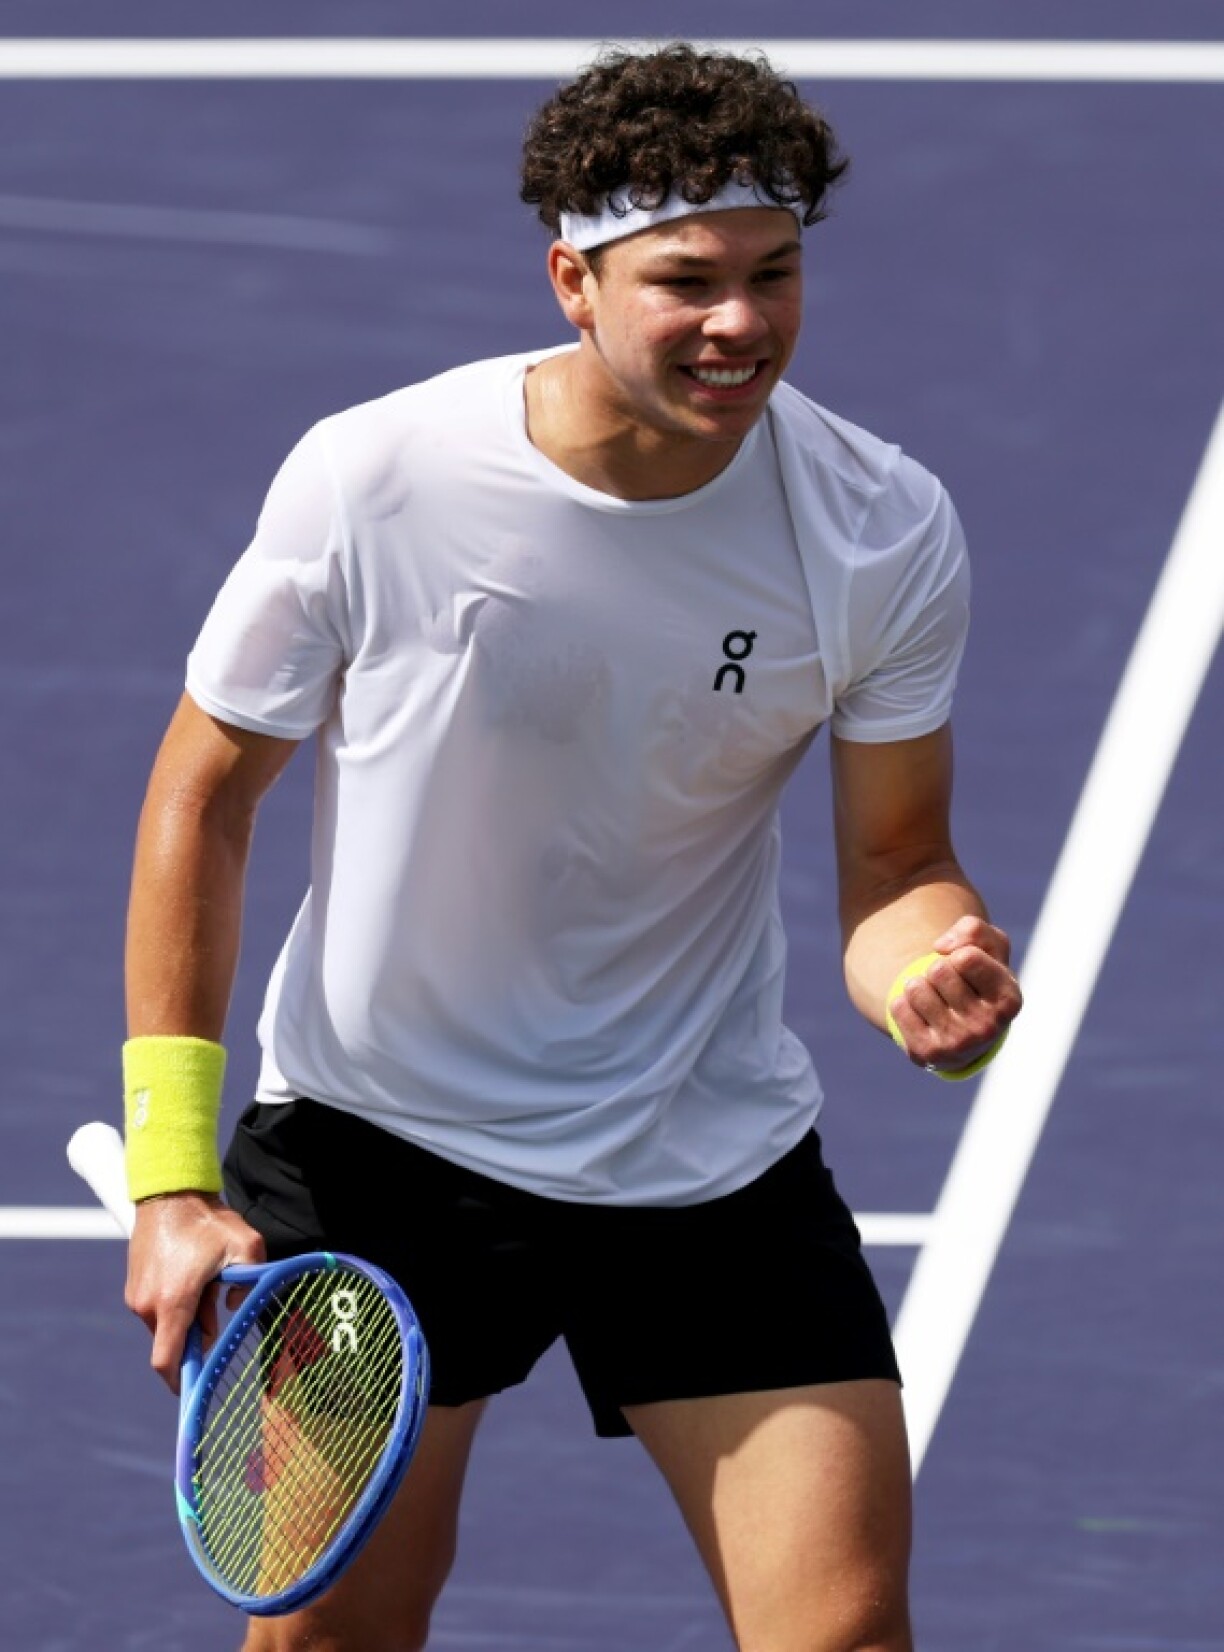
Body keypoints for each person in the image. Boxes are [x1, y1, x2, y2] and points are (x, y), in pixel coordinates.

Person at [121, 42, 1022, 1652]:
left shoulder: (879, 528)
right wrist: (174, 1174)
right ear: (573, 281)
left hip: (705, 1149)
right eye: (685, 280)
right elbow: (205, 795)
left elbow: (896, 868)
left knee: (848, 1634)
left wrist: (929, 981)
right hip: (377, 1151)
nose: (739, 322)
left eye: (774, 272)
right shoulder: (376, 479)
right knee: (330, 1642)